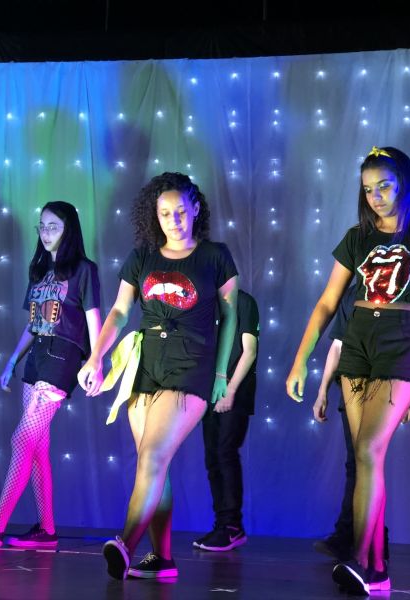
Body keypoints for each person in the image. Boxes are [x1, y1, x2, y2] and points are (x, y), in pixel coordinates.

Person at [285, 146, 410, 594]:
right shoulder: (357, 238)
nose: (375, 197)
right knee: (363, 455)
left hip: (405, 341)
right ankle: (374, 569)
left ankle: (365, 562)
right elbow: (327, 302)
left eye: (384, 186)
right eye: (368, 189)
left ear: (405, 184)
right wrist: (301, 359)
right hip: (358, 342)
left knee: (370, 449)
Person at [77, 172, 238, 580]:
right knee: (154, 463)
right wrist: (96, 357)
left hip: (192, 365)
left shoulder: (215, 256)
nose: (173, 220)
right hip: (146, 365)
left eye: (180, 211)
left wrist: (222, 373)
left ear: (195, 208)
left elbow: (230, 317)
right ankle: (162, 559)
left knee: (152, 457)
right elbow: (119, 311)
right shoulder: (142, 256)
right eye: (165, 213)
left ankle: (125, 544)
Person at [0, 201, 102, 548]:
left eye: (53, 226)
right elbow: (34, 324)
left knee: (22, 440)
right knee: (37, 448)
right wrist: (11, 362)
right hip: (36, 361)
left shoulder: (84, 269)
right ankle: (46, 530)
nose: (46, 233)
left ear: (69, 230)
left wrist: (97, 360)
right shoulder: (40, 271)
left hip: (62, 359)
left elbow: (93, 316)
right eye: (42, 226)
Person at [312, 284, 410, 561]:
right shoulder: (351, 293)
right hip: (352, 388)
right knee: (357, 463)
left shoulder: (400, 288)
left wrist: (409, 394)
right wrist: (322, 391)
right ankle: (364, 538)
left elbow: (409, 346)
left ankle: (359, 539)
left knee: (367, 461)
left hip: (384, 388)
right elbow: (338, 345)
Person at [194, 288, 258, 552]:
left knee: (225, 453)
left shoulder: (243, 301)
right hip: (208, 392)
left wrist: (230, 390)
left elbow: (249, 351)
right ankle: (222, 524)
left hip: (234, 391)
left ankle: (232, 527)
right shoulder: (205, 301)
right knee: (212, 458)